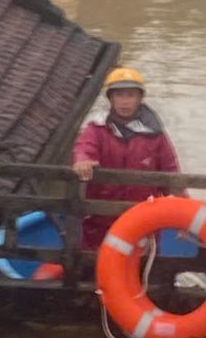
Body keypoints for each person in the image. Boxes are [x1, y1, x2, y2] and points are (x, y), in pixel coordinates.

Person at [72, 65, 181, 249]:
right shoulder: (96, 128)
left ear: (140, 98)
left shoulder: (156, 135)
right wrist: (82, 160)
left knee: (140, 269)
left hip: (144, 222)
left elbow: (171, 174)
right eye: (119, 95)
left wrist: (183, 214)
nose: (124, 101)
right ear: (111, 98)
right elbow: (84, 147)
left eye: (130, 95)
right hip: (100, 222)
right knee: (93, 266)